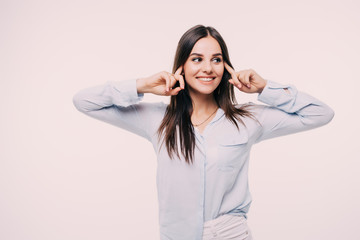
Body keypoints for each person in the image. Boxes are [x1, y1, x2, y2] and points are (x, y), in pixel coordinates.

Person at [73, 25, 334, 240]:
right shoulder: (157, 120)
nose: (208, 68)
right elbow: (84, 101)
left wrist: (265, 88)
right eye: (196, 59)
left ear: (225, 67)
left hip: (231, 235)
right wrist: (143, 85)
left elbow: (321, 113)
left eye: (216, 60)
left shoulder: (247, 119)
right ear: (182, 66)